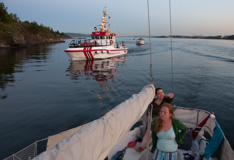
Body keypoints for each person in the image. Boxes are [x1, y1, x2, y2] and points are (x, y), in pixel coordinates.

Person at [134, 88, 174, 152]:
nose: (161, 94)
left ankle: (144, 147)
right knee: (148, 132)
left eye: (162, 92)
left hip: (162, 120)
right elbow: (149, 114)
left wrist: (165, 95)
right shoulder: (152, 102)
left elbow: (172, 95)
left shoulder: (166, 100)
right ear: (156, 95)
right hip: (152, 119)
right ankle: (141, 146)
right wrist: (151, 121)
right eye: (159, 93)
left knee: (154, 134)